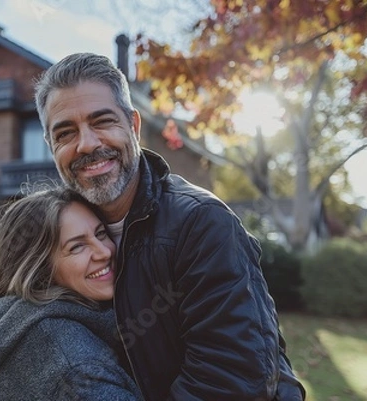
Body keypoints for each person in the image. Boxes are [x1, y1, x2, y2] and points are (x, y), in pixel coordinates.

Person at [34, 52, 306, 401]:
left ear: (133, 125)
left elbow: (231, 382)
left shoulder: (201, 223)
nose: (86, 144)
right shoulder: (54, 230)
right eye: (66, 132)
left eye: (102, 122)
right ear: (51, 146)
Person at [0, 188, 144, 401]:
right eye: (77, 247)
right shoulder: (74, 364)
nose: (105, 251)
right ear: (41, 269)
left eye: (100, 233)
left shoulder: (5, 320)